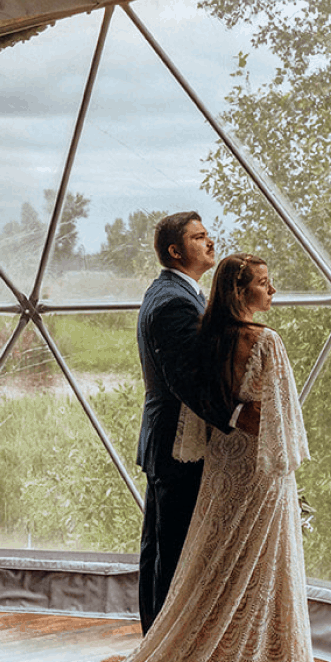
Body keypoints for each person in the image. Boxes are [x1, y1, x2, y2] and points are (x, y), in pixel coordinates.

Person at [30, 254, 320, 662]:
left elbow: (204, 397)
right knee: (258, 565)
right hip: (259, 469)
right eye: (265, 284)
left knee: (207, 562)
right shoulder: (265, 341)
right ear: (241, 292)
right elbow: (280, 421)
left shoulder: (210, 337)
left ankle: (186, 652)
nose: (274, 292)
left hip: (222, 464)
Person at [134, 212, 255, 632]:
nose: (210, 242)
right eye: (198, 237)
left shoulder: (174, 293)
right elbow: (185, 379)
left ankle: (155, 649)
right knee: (172, 552)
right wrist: (241, 417)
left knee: (162, 548)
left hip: (169, 439)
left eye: (208, 234)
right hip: (176, 443)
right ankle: (161, 653)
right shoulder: (173, 302)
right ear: (175, 250)